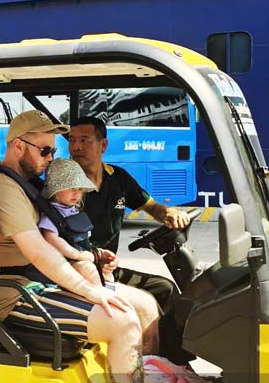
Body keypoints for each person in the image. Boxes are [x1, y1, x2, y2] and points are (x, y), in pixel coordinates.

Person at [0, 111, 204, 383]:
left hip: (40, 282)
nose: (52, 158)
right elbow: (38, 250)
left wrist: (92, 259)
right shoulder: (2, 186)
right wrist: (91, 292)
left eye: (52, 151)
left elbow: (60, 238)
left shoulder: (28, 184)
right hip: (14, 293)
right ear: (17, 146)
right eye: (45, 150)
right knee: (121, 321)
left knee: (144, 304)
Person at [69, 116, 189, 313]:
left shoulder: (118, 178)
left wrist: (169, 213)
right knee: (149, 301)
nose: (76, 147)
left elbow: (151, 206)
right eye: (72, 140)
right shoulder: (66, 185)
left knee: (164, 289)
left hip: (108, 269)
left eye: (84, 140)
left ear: (103, 145)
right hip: (79, 272)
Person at [38, 158, 117, 286]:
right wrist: (78, 255)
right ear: (55, 189)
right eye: (71, 188)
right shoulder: (52, 214)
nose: (76, 193)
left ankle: (107, 289)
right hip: (63, 262)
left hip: (81, 257)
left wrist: (96, 253)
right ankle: (101, 294)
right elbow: (51, 239)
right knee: (88, 269)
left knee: (107, 273)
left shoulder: (73, 210)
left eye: (80, 189)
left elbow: (80, 240)